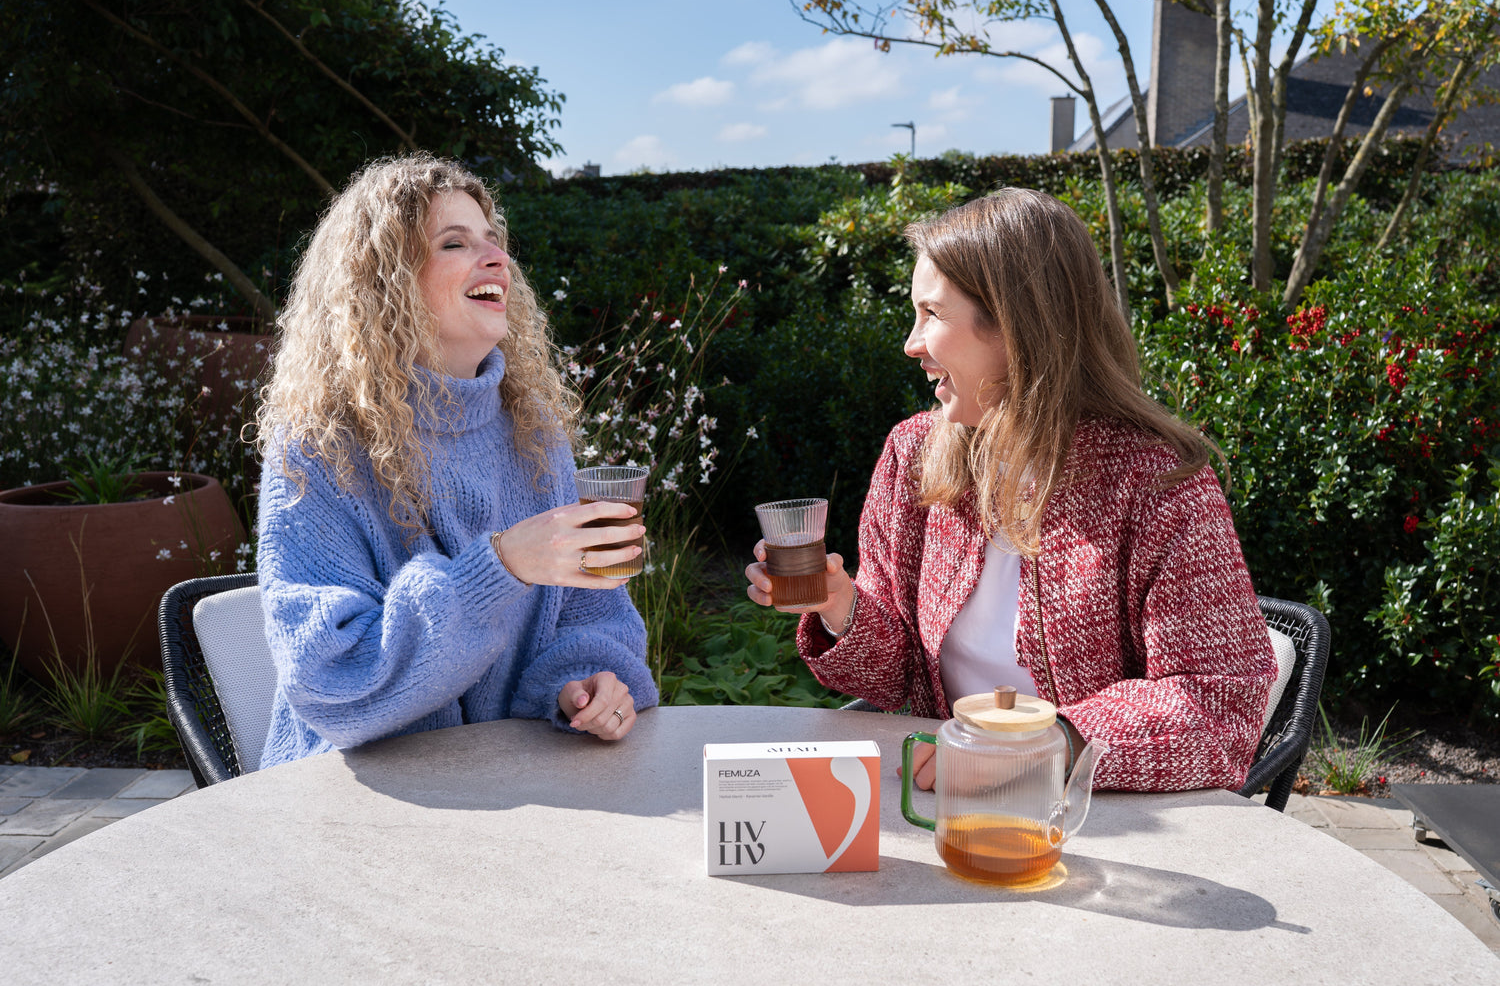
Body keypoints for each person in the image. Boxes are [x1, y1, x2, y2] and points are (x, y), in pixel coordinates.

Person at [745, 189, 1275, 793]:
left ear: (1015, 326)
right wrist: (839, 605)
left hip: (1100, 831)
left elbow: (1218, 704)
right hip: (948, 811)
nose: (911, 344)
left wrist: (1032, 747)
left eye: (932, 315)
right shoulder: (914, 453)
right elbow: (899, 678)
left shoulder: (1158, 481)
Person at [254, 154, 656, 769]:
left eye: (494, 241)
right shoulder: (321, 446)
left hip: (515, 781)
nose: (497, 258)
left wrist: (585, 683)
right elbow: (328, 676)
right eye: (455, 243)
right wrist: (502, 566)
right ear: (383, 282)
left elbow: (589, 612)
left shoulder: (532, 432)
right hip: (355, 798)